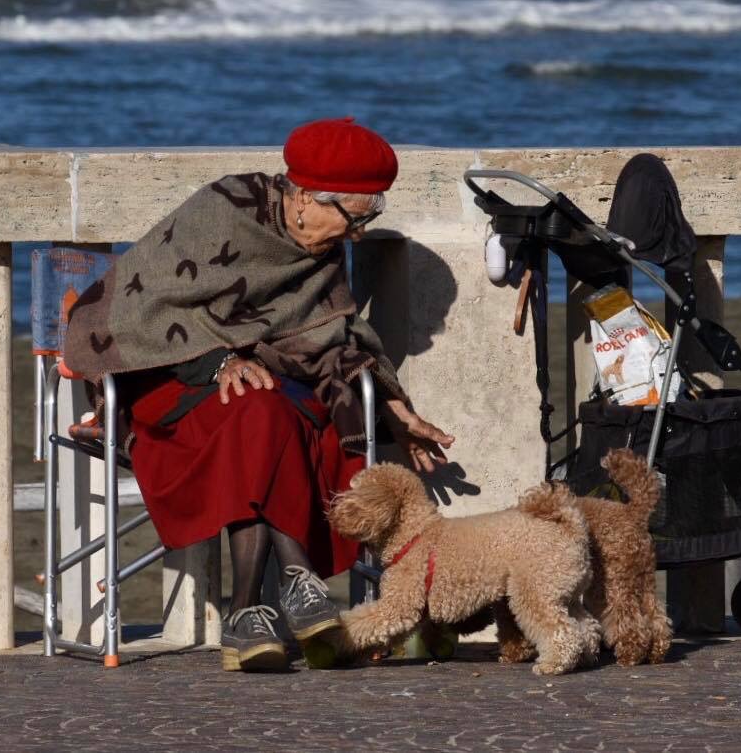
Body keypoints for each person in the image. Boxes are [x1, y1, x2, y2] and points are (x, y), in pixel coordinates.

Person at [61, 116, 454, 672]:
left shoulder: (321, 244)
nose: (358, 235)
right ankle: (294, 582)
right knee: (262, 411)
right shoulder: (225, 209)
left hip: (266, 389)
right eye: (354, 218)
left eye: (368, 220)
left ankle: (247, 612)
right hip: (171, 381)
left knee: (271, 411)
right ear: (304, 198)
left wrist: (395, 411)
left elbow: (330, 338)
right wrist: (217, 359)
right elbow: (138, 309)